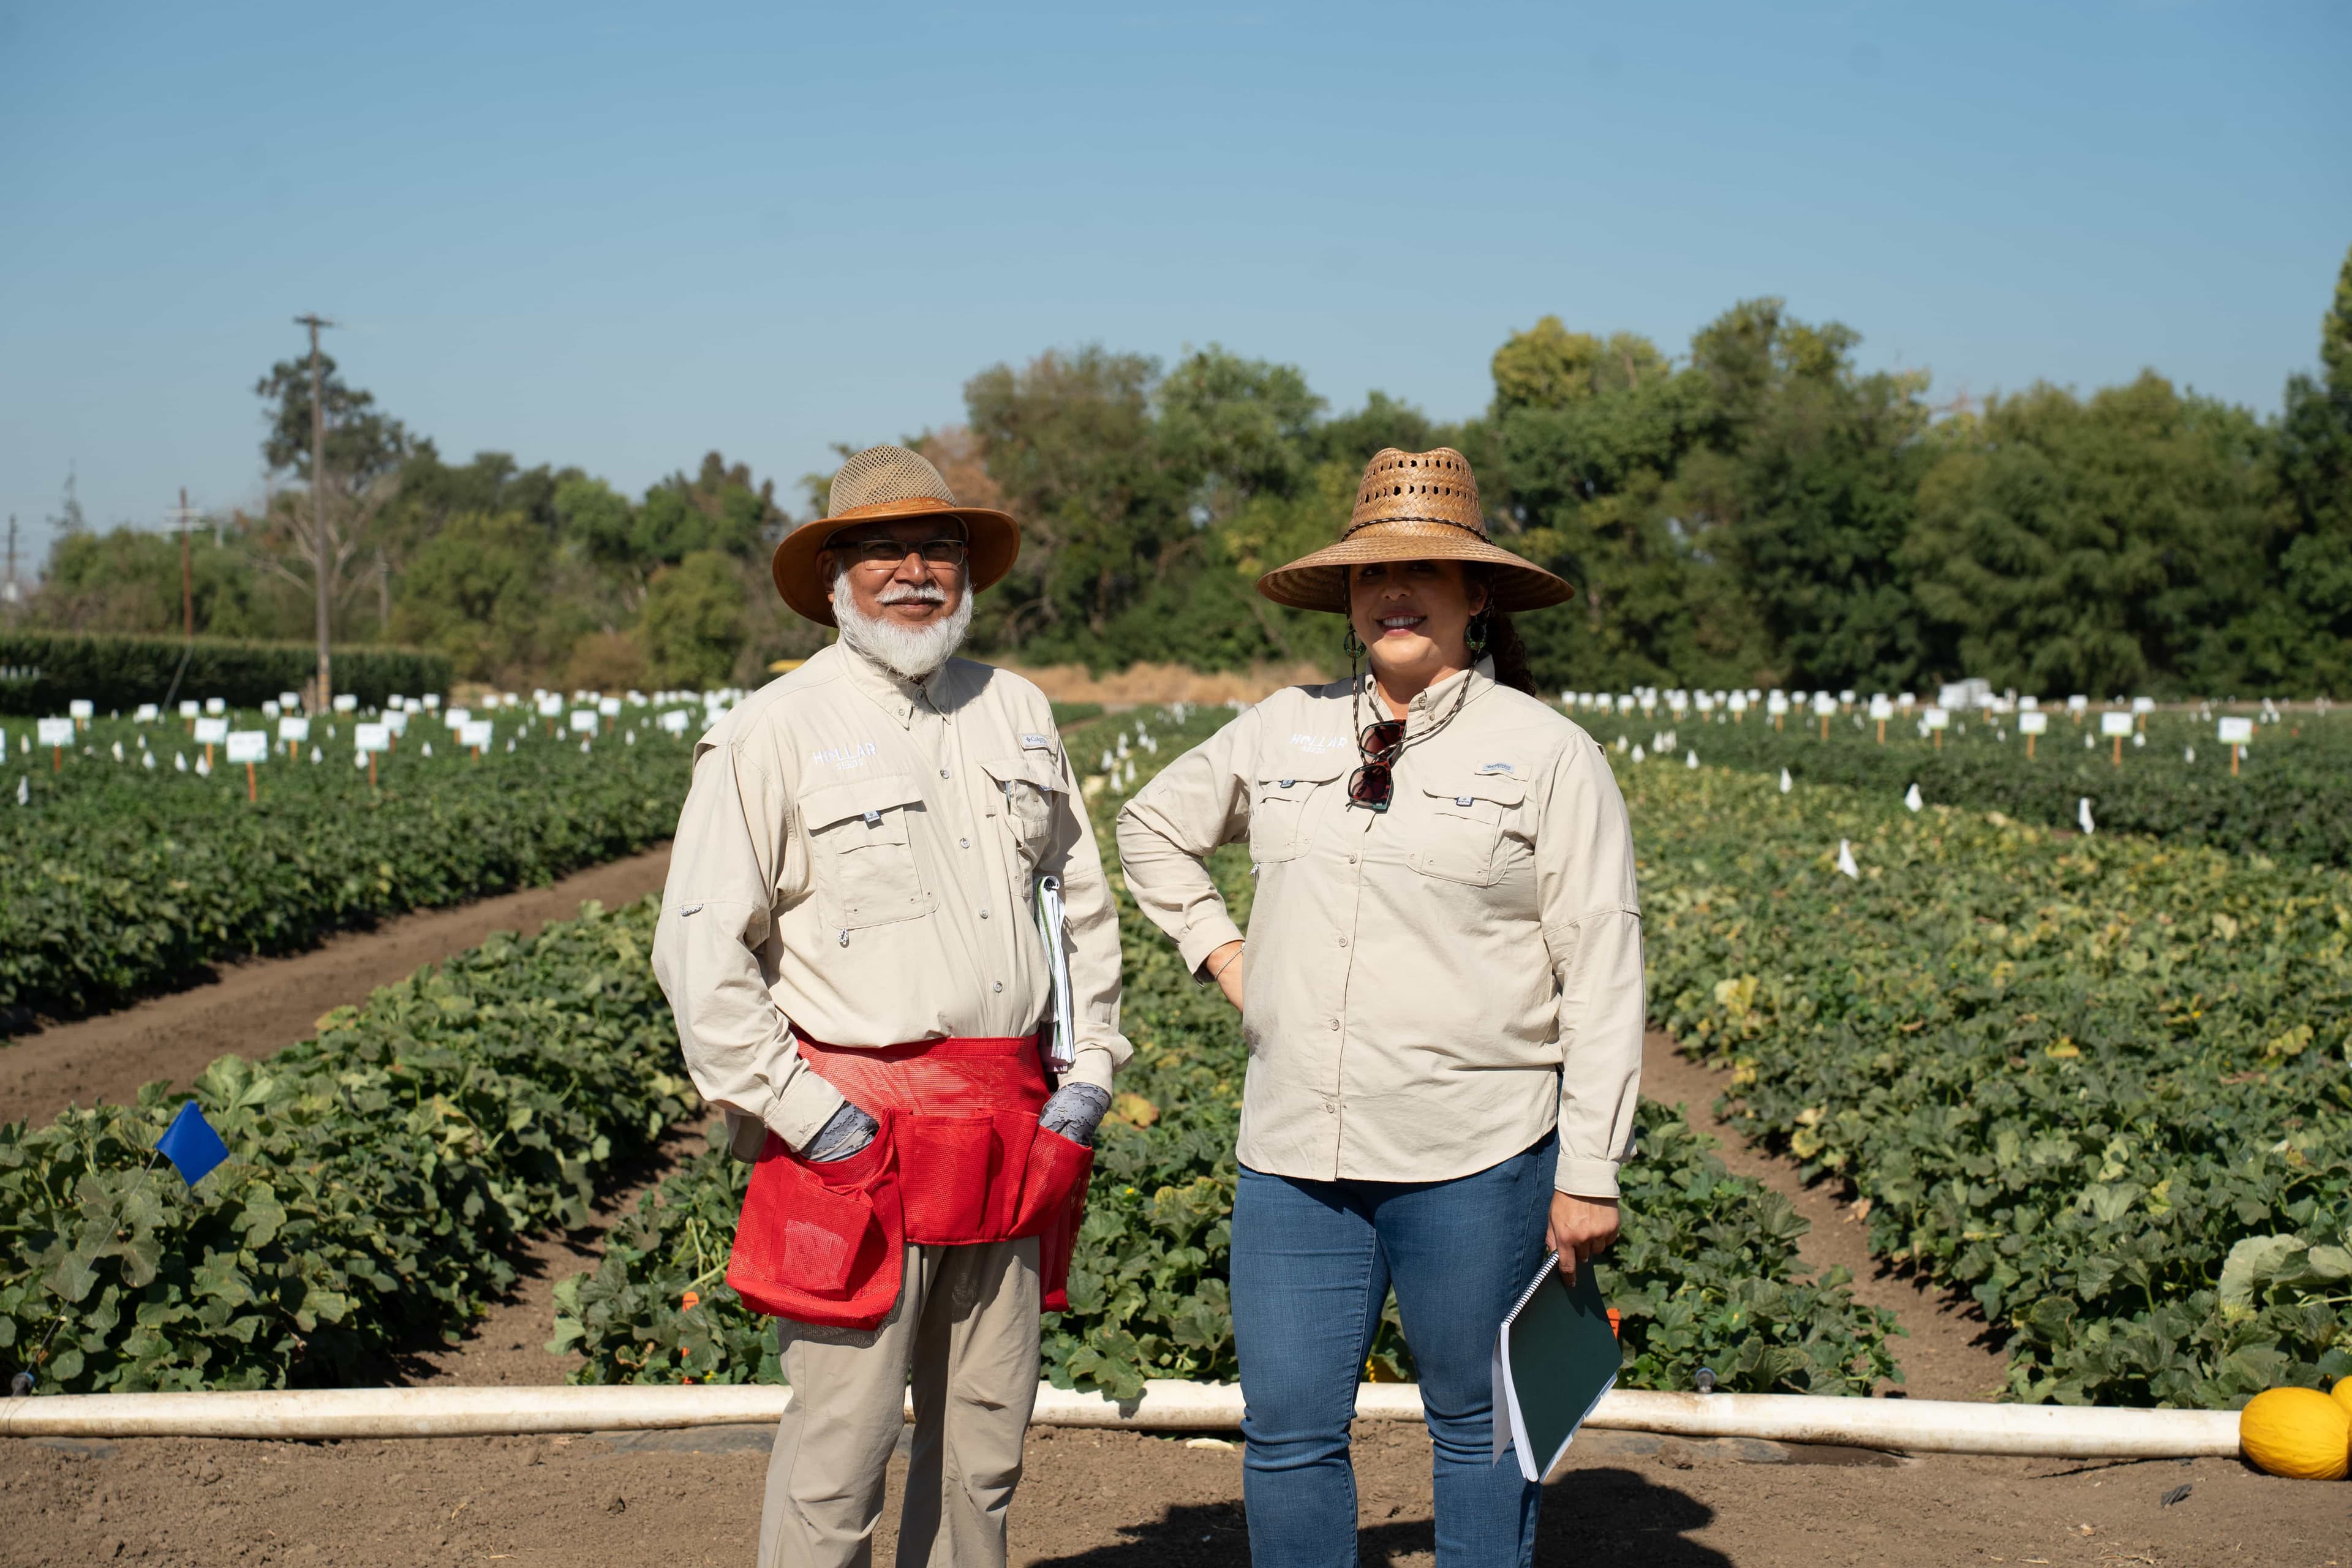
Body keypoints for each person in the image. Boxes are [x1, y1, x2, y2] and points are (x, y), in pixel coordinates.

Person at [1115, 447, 1643, 1566]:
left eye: (1424, 574)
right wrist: (1226, 955)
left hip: (1479, 1153)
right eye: (1371, 577)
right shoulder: (1282, 730)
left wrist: (1590, 1168)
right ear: (1348, 601)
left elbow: (1602, 969)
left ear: (1477, 595)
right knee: (1289, 1435)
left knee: (1480, 1430)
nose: (1393, 595)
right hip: (1296, 1155)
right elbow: (1149, 829)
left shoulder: (1549, 755)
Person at [652, 443, 1127, 1568]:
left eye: (939, 550)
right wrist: (808, 1113)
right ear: (834, 578)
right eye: (883, 551)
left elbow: (1080, 908)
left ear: (968, 571)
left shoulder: (1018, 710)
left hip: (1012, 1128)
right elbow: (699, 946)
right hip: (855, 1139)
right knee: (841, 1453)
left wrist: (1092, 1068)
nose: (915, 572)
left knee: (985, 1453)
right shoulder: (776, 728)